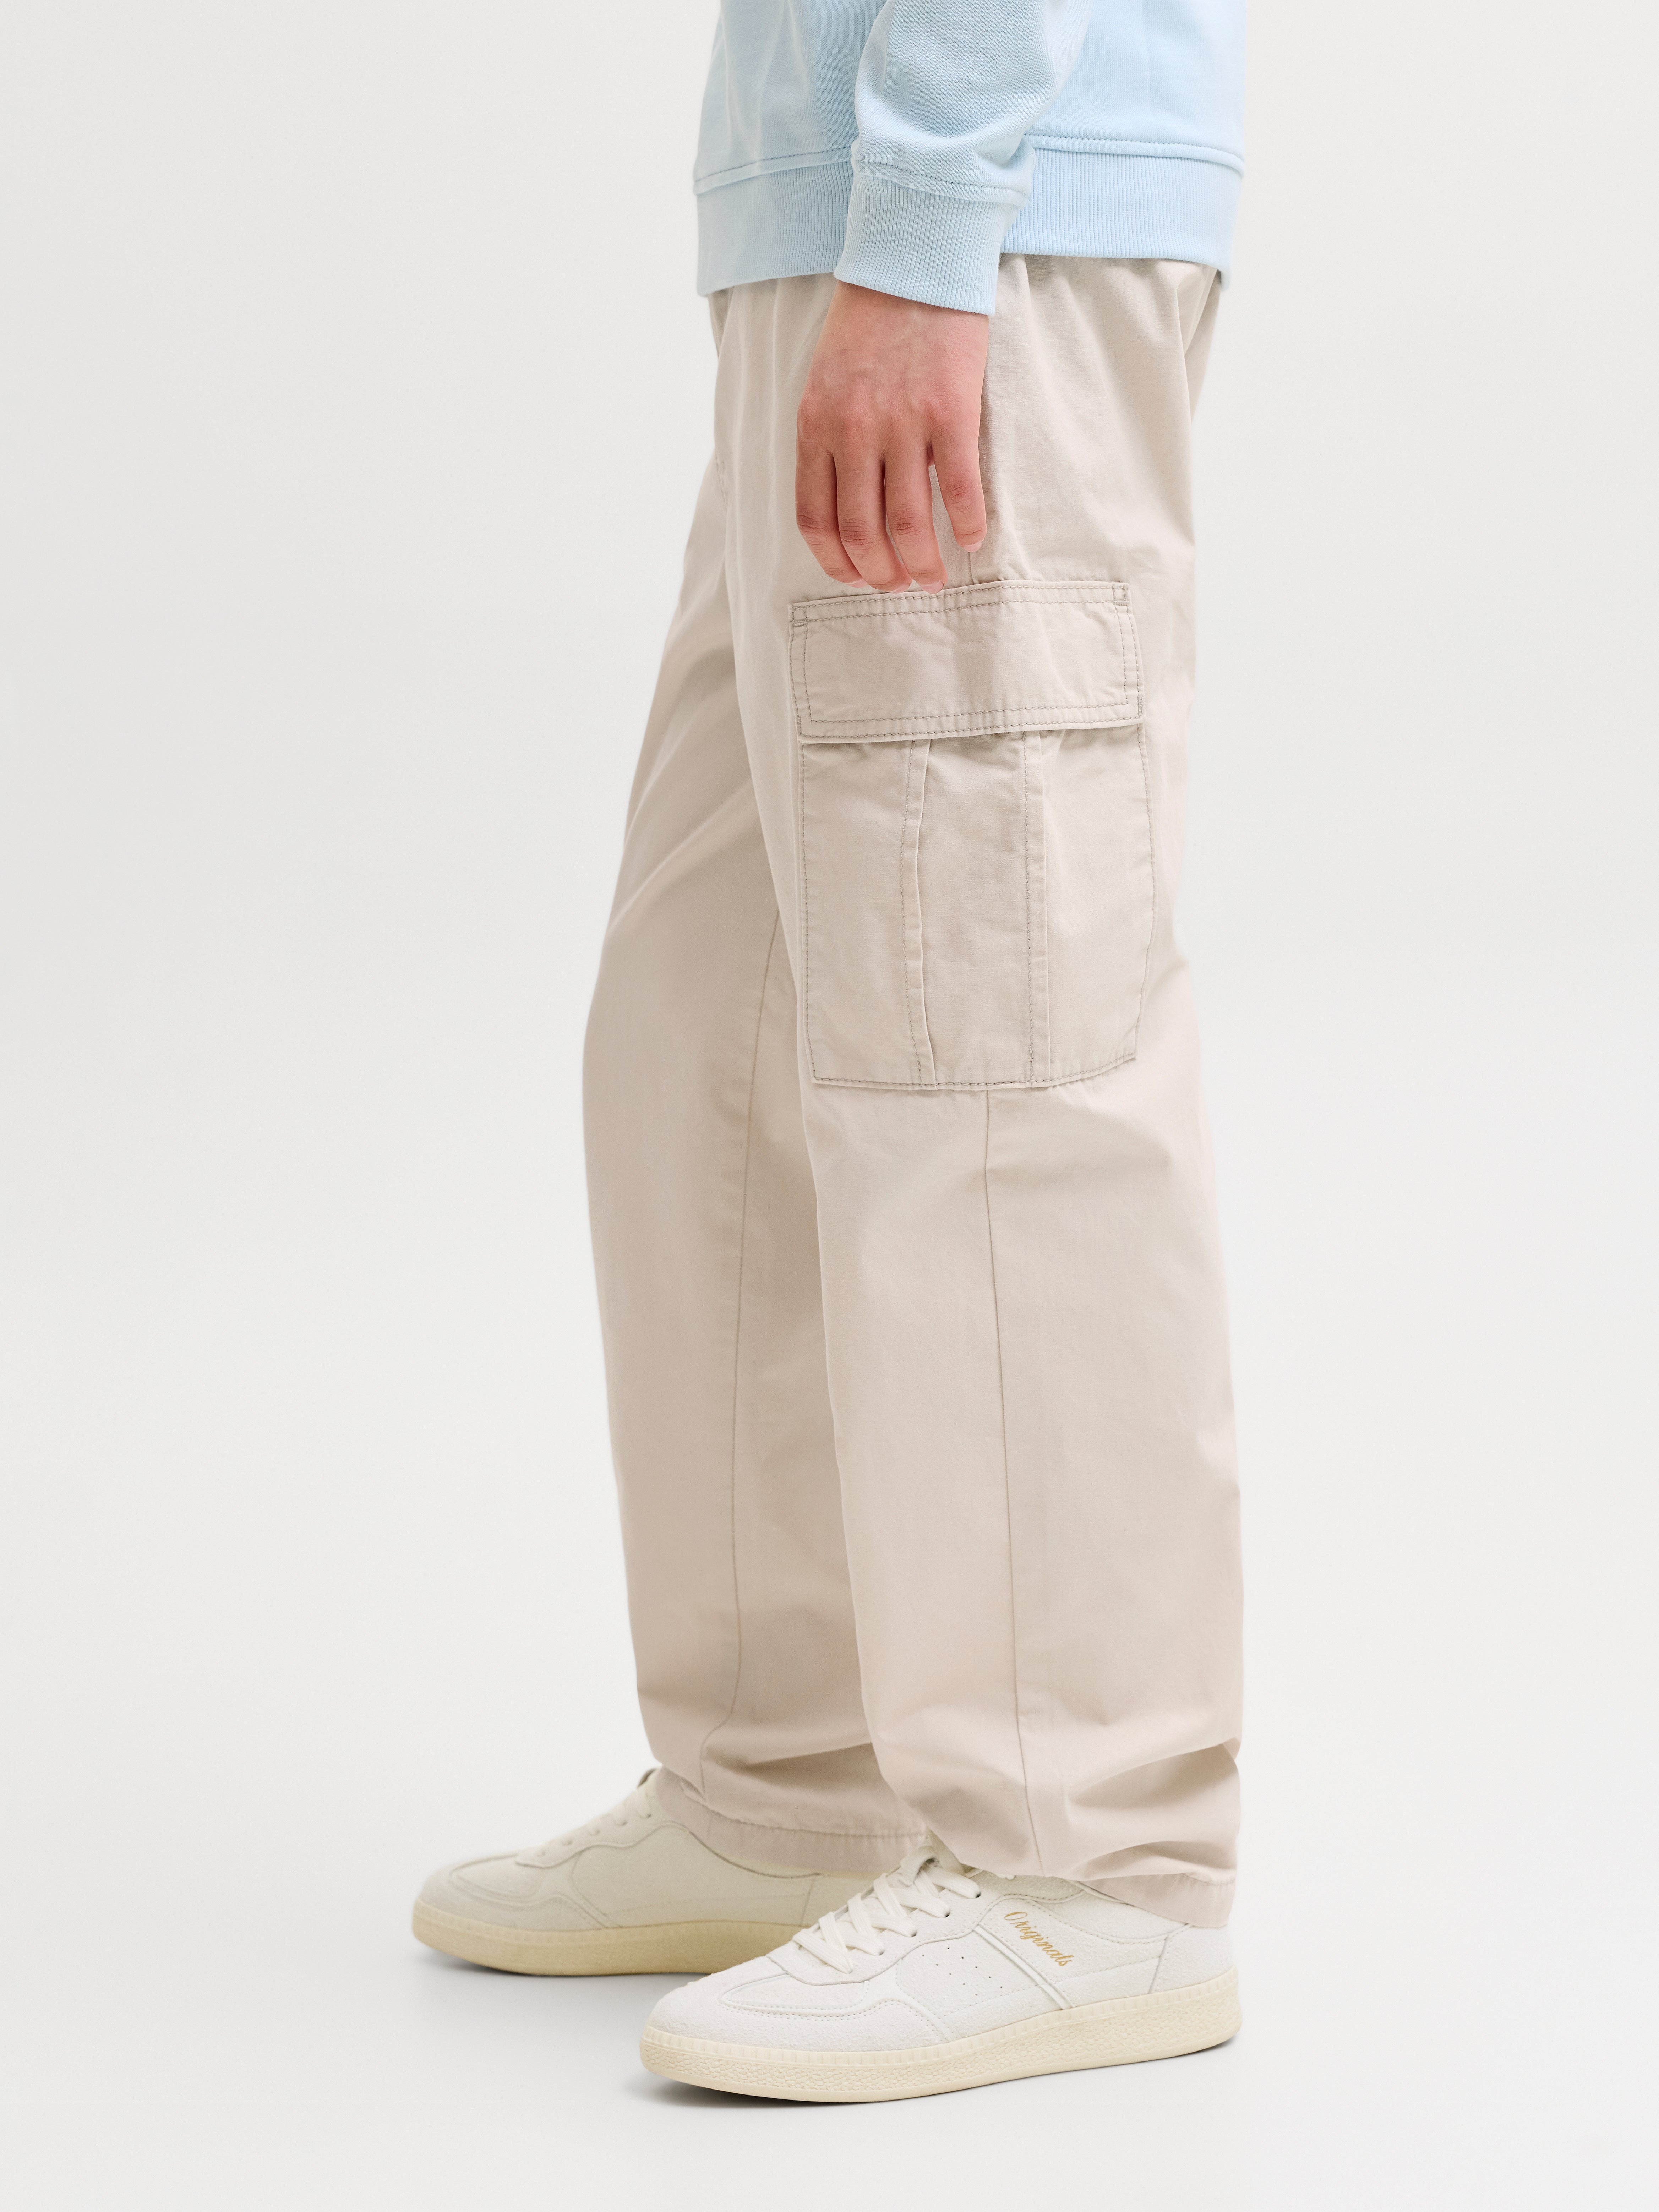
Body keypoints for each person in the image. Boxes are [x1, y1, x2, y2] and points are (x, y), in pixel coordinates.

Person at [414, 0, 1246, 2103]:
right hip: (851, 220)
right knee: (716, 1037)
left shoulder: (949, 215)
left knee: (992, 1040)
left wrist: (931, 215)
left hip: (977, 218)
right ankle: (782, 1786)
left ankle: (1087, 1856)